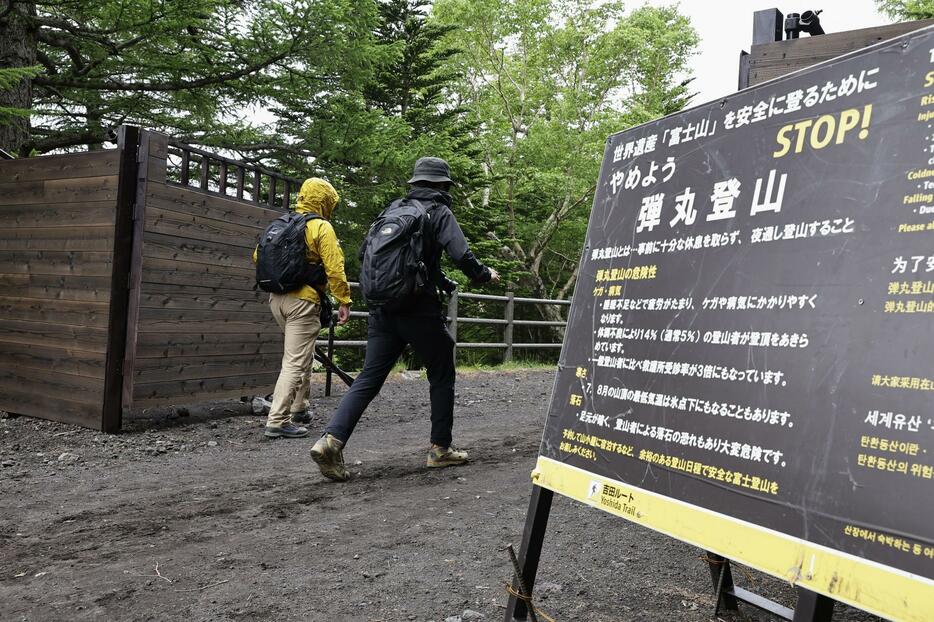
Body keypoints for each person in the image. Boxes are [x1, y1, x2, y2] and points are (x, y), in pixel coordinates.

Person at [311, 157, 499, 481]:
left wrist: (437, 279)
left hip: (382, 308)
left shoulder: (393, 210)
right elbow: (461, 254)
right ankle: (440, 449)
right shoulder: (438, 211)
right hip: (417, 308)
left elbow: (369, 257)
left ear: (414, 184)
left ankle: (331, 440)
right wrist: (484, 274)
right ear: (442, 186)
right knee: (441, 368)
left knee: (369, 377)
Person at [253, 177, 351, 438]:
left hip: (277, 300)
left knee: (302, 354)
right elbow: (335, 267)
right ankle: (278, 420)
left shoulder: (279, 225)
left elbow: (256, 256)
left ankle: (299, 408)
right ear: (324, 201)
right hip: (304, 301)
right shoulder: (320, 227)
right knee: (295, 361)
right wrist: (344, 300)